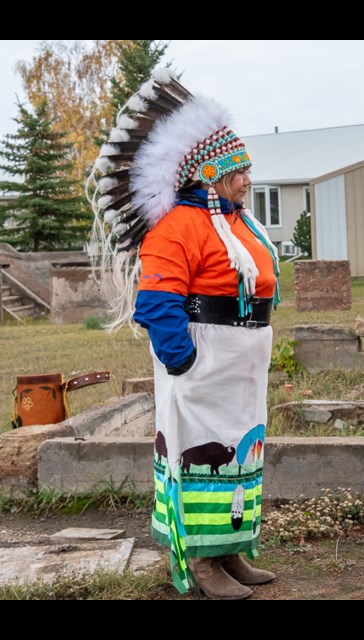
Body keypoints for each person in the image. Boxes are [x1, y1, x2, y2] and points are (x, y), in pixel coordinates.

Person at [89, 69, 280, 599]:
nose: (245, 179)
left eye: (246, 169)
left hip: (240, 367)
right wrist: (182, 361)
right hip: (201, 365)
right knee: (199, 452)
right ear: (209, 174)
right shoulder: (177, 227)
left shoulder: (239, 222)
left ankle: (228, 549)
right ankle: (199, 559)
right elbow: (155, 302)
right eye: (237, 170)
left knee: (240, 451)